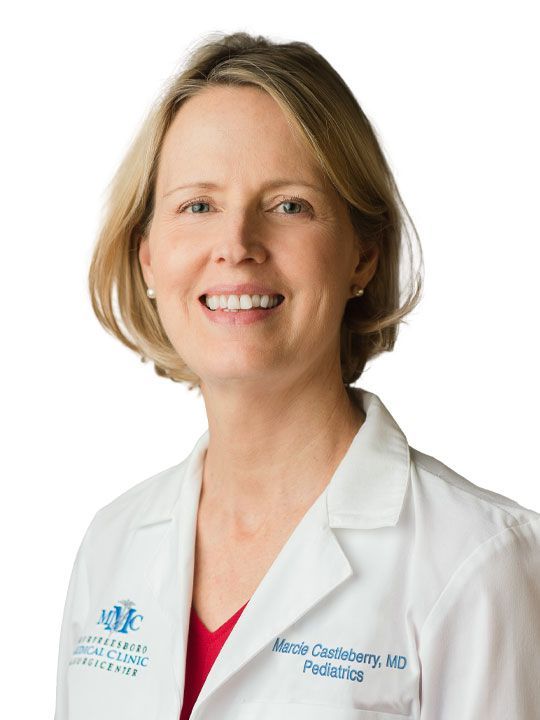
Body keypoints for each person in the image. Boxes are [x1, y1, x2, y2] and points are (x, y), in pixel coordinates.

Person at [54, 31, 540, 720]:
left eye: (289, 205)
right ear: (147, 259)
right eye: (198, 205)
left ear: (363, 255)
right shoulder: (112, 547)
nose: (236, 246)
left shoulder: (478, 561)